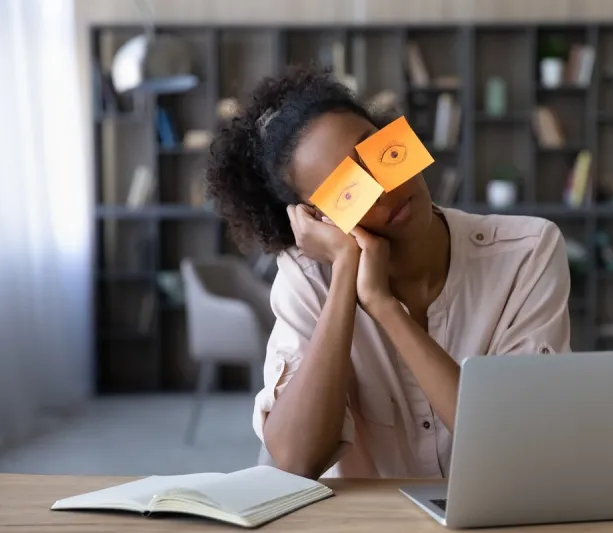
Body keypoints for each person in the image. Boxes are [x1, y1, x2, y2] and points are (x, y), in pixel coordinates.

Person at [205, 65, 571, 480]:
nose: (384, 186)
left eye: (380, 152)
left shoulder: (526, 251)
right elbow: (296, 461)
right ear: (317, 220)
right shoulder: (307, 277)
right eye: (348, 189)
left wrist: (384, 307)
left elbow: (513, 444)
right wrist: (345, 271)